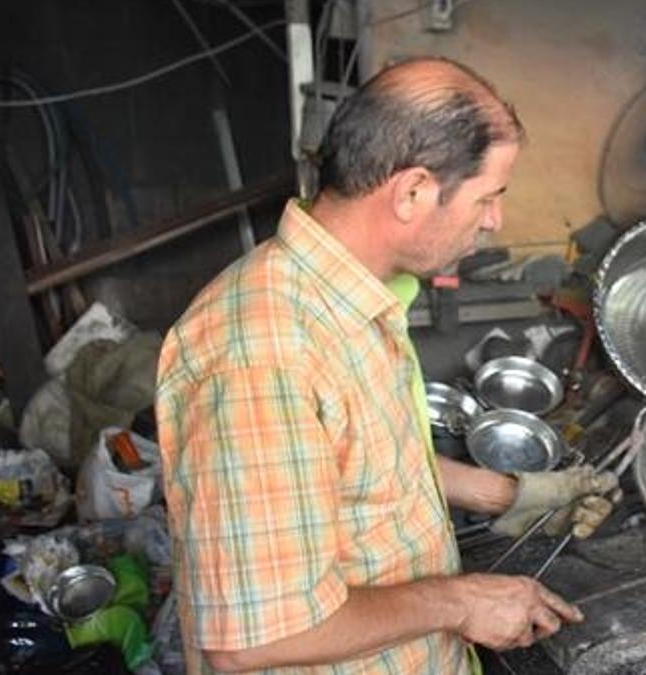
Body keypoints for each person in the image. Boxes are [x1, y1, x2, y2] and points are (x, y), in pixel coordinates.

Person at [155, 57, 618, 674]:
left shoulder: (355, 297)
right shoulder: (262, 353)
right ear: (413, 192)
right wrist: (460, 600)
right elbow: (254, 637)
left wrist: (508, 495)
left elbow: (363, 462)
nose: (494, 220)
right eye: (489, 197)